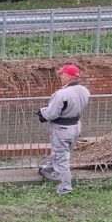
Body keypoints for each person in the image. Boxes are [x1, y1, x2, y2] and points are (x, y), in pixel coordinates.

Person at [37, 63, 90, 195]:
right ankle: (49, 169)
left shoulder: (61, 94)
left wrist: (42, 112)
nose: (60, 76)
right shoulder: (85, 90)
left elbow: (52, 114)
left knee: (62, 157)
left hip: (61, 128)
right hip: (76, 125)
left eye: (62, 74)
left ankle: (65, 187)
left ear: (69, 77)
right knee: (62, 152)